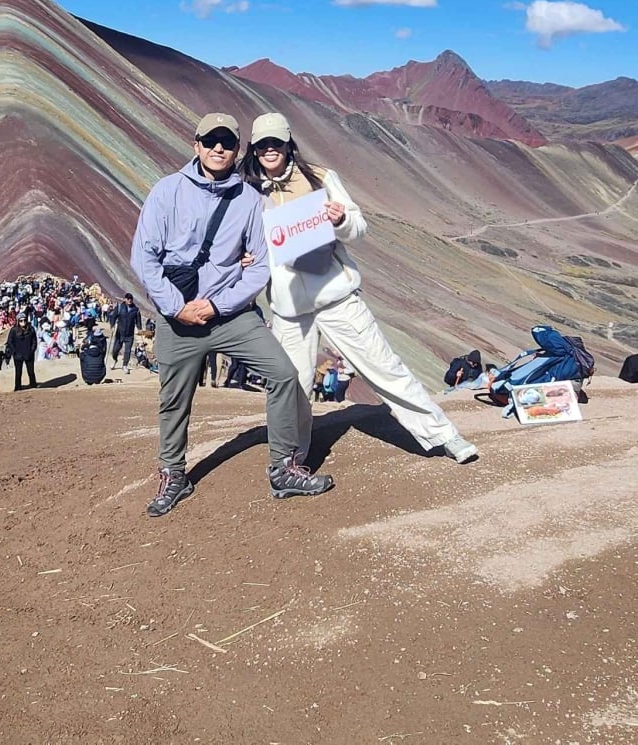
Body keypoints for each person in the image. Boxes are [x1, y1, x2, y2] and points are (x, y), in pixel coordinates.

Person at [240, 112, 478, 464]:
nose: (269, 150)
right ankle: (291, 459)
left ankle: (444, 436)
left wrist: (341, 220)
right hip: (289, 309)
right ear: (254, 149)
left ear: (289, 143)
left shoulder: (320, 178)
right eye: (262, 145)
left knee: (384, 366)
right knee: (294, 386)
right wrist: (247, 259)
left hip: (336, 296)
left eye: (276, 142)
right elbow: (246, 243)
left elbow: (359, 228)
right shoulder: (247, 191)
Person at [133, 112, 333, 516]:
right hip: (178, 317)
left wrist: (217, 304)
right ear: (196, 145)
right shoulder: (167, 191)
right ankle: (173, 474)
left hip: (230, 315)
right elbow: (144, 258)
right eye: (210, 141)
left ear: (236, 149)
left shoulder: (248, 199)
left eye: (226, 142)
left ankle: (283, 468)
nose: (218, 148)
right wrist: (176, 308)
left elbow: (259, 265)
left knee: (282, 374)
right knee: (174, 399)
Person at [5, 312, 39, 390]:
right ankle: (18, 387)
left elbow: (34, 341)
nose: (23, 322)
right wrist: (14, 351)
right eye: (21, 320)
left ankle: (33, 385)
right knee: (18, 372)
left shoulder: (31, 329)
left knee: (31, 372)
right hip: (18, 354)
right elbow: (10, 341)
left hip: (29, 353)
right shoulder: (13, 330)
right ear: (18, 321)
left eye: (24, 320)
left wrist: (32, 350)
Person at [110, 293, 141, 374]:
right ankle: (115, 360)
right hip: (119, 333)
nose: (129, 300)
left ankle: (125, 366)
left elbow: (138, 321)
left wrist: (139, 328)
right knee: (115, 350)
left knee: (127, 351)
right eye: (128, 298)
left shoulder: (136, 310)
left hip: (129, 334)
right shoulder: (120, 307)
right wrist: (112, 326)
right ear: (125, 299)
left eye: (131, 298)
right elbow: (113, 317)